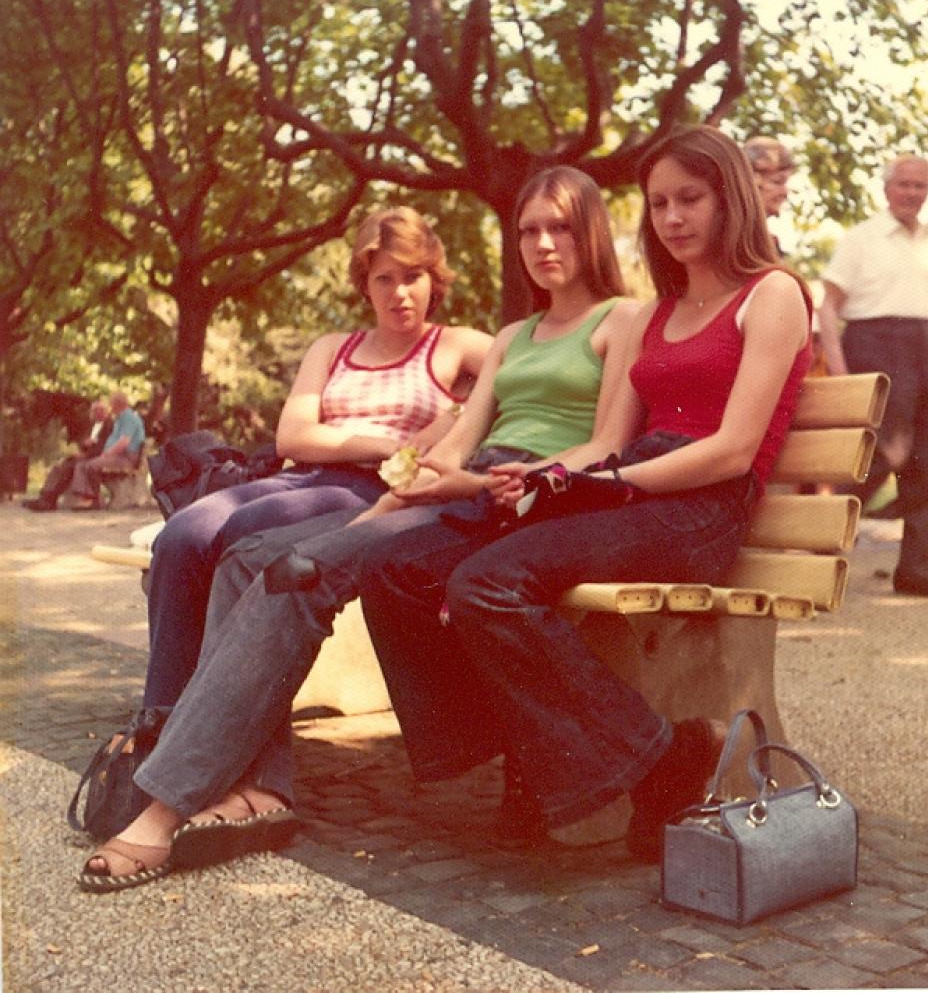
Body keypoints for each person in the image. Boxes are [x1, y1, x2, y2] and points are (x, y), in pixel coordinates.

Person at [78, 167, 637, 891]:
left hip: (527, 499)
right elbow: (458, 444)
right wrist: (398, 497)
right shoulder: (514, 335)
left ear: (591, 231)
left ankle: (161, 810)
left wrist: (493, 480)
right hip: (455, 492)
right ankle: (260, 792)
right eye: (529, 229)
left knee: (301, 572)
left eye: (559, 227)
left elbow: (607, 445)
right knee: (252, 557)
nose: (542, 243)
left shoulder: (622, 320)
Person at [353, 125, 813, 864]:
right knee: (407, 570)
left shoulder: (774, 294)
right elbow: (611, 438)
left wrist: (612, 482)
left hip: (705, 509)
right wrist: (552, 478)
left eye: (690, 199)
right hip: (632, 493)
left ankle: (631, 763)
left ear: (730, 198)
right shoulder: (660, 311)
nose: (672, 218)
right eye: (659, 204)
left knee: (487, 584)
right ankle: (624, 756)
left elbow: (732, 449)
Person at [135, 207, 491, 711]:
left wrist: (454, 419)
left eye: (413, 276)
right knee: (182, 535)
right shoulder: (333, 348)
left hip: (373, 491)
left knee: (248, 530)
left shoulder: (452, 344)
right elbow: (294, 437)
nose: (400, 292)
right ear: (364, 284)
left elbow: (523, 371)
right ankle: (162, 713)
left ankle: (216, 719)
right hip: (302, 478)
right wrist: (389, 443)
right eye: (384, 278)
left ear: (434, 279)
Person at [817, 154, 928, 599]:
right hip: (874, 346)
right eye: (904, 184)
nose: (912, 193)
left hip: (926, 351)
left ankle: (915, 572)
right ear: (886, 189)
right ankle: (814, 559)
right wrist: (839, 370)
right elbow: (828, 306)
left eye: (920, 186)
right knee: (875, 457)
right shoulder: (860, 239)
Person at [23, 400, 112, 511]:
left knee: (68, 467)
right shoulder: (92, 425)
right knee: (58, 467)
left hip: (97, 458)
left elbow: (105, 446)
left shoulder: (109, 425)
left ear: (106, 411)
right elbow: (82, 442)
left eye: (101, 410)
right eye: (95, 410)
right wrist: (84, 443)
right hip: (86, 455)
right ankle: (45, 497)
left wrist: (86, 455)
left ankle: (49, 501)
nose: (97, 413)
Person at [66, 391, 146, 510]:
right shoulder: (120, 419)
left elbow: (124, 442)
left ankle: (94, 501)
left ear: (118, 404)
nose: (110, 407)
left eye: (111, 404)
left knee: (91, 466)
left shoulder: (129, 418)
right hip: (119, 456)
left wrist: (108, 453)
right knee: (86, 465)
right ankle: (92, 499)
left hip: (126, 457)